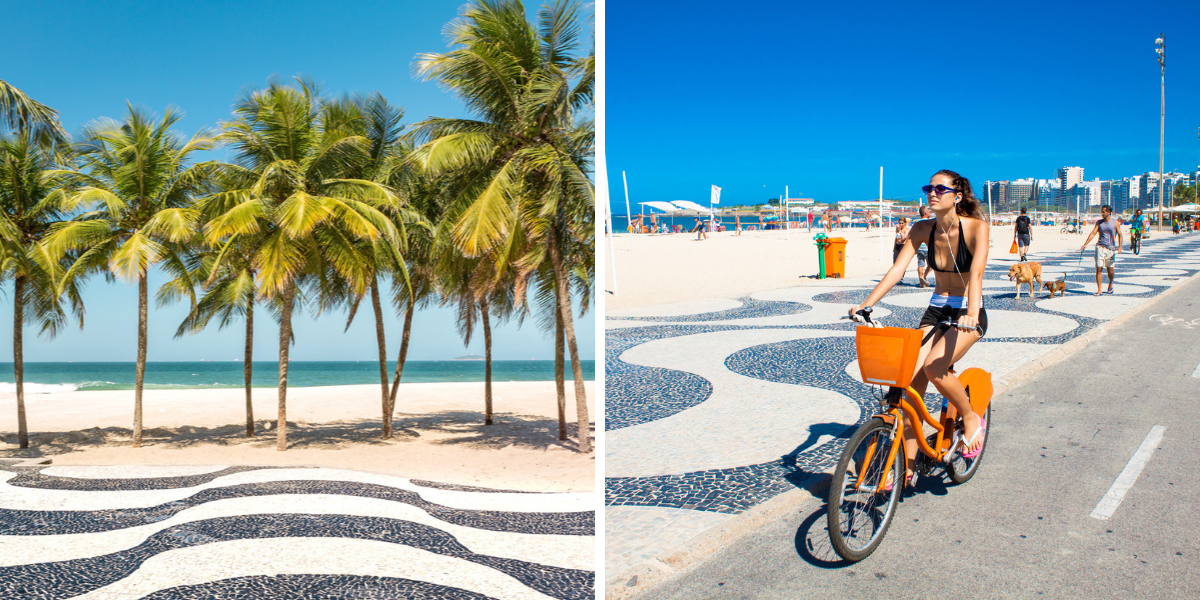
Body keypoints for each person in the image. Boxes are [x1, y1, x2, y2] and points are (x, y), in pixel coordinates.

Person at [850, 169, 990, 485]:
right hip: (937, 310)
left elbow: (977, 275)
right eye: (929, 187)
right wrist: (866, 304)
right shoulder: (922, 228)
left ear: (958, 195)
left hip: (968, 309)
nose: (933, 192)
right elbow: (898, 269)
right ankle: (909, 467)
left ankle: (969, 417)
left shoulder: (976, 228)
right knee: (910, 386)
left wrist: (971, 312)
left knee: (934, 366)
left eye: (941, 188)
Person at [1080, 205, 1122, 296]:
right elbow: (1093, 233)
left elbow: (1120, 235)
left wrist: (1120, 247)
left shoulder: (1115, 223)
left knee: (1110, 270)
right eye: (1101, 212)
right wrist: (1085, 244)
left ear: (1109, 212)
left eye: (1104, 212)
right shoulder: (1099, 223)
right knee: (1099, 268)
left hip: (1110, 249)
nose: (1102, 213)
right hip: (1100, 247)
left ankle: (1110, 283)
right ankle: (1099, 289)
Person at [915, 205, 932, 287]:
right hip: (928, 246)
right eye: (928, 211)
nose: (929, 212)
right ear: (925, 213)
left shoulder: (916, 222)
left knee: (920, 264)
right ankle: (924, 276)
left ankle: (921, 283)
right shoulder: (929, 222)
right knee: (932, 264)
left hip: (919, 247)